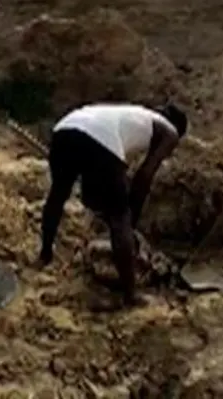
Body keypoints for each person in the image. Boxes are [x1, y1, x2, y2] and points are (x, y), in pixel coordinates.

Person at [37, 102, 188, 307]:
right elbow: (144, 175)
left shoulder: (137, 114)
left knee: (58, 194)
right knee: (120, 215)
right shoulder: (170, 133)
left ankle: (45, 255)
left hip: (64, 129)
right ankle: (130, 295)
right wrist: (130, 219)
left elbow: (94, 182)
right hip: (101, 139)